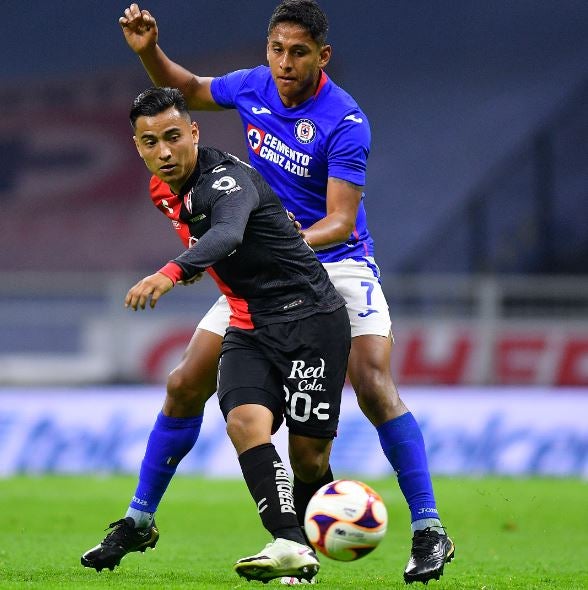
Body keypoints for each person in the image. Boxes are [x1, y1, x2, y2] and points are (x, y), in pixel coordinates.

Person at [85, 0, 455, 584]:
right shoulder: (253, 86)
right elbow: (184, 89)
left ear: (322, 56)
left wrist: (276, 242)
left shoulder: (345, 120)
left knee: (375, 385)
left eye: (298, 52)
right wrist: (148, 51)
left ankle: (430, 529)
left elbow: (339, 220)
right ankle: (138, 519)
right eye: (277, 49)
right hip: (260, 266)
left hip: (333, 262)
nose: (284, 63)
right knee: (184, 383)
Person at [82, 87, 351, 583]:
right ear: (136, 146)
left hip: (309, 318)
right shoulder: (163, 191)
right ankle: (289, 542)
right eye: (149, 142)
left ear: (195, 133)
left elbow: (226, 235)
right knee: (244, 422)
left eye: (173, 137)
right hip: (248, 323)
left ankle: (317, 537)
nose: (163, 152)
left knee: (309, 458)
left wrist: (169, 273)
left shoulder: (224, 181)